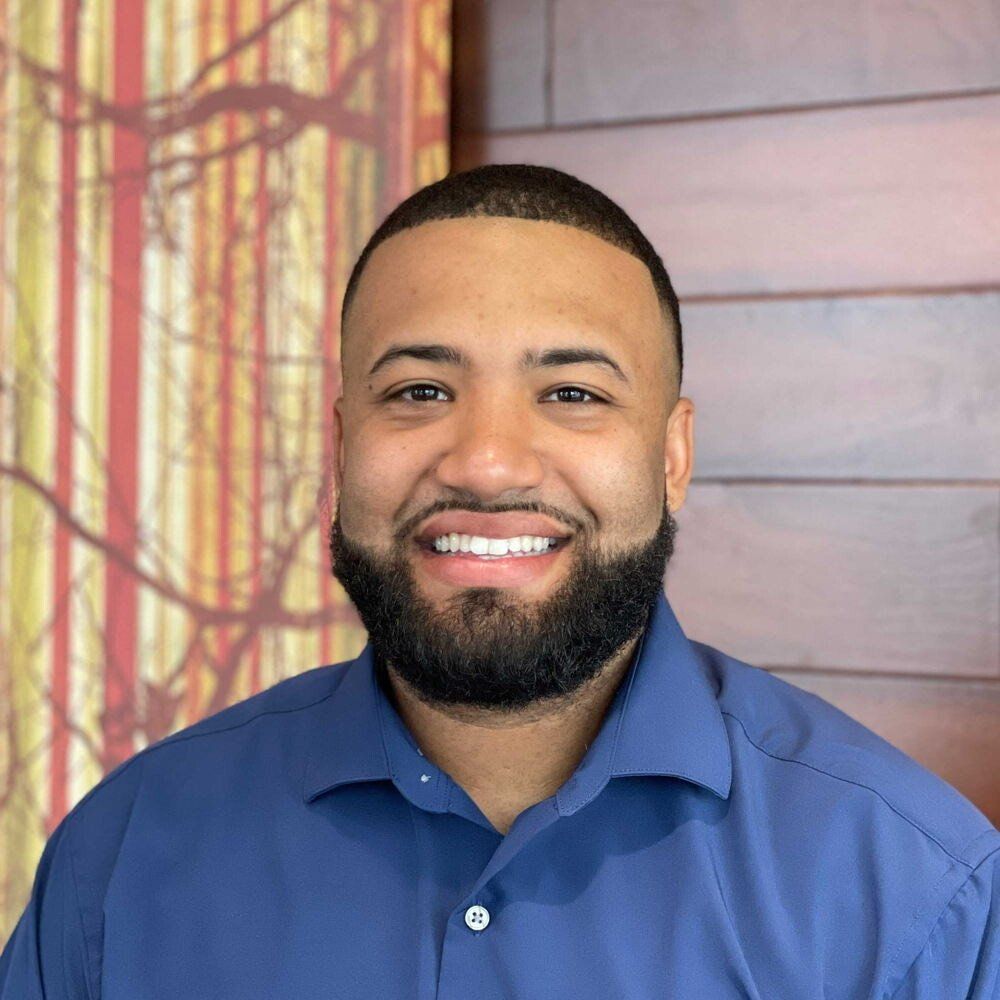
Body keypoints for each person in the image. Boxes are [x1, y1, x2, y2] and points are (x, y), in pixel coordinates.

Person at [1, 163, 997, 999]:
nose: (484, 461)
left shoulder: (910, 892)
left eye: (572, 393)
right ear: (344, 447)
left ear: (672, 456)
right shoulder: (123, 863)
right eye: (419, 391)